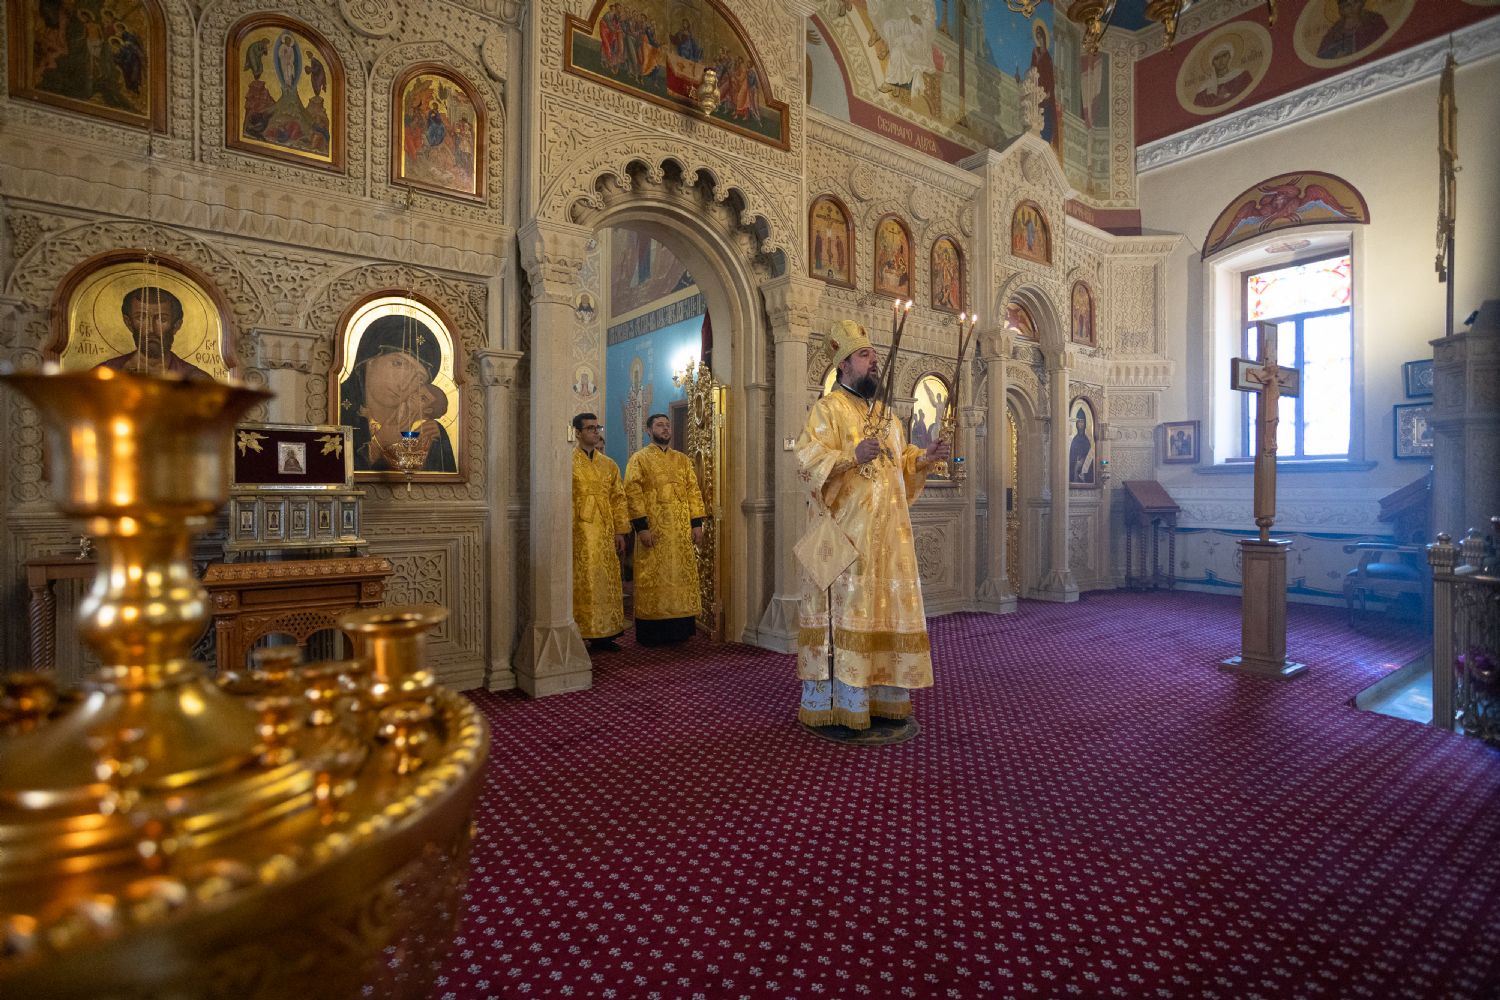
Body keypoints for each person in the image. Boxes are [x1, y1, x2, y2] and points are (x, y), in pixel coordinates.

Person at [795, 320, 949, 732]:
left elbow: (901, 462)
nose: (875, 362)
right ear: (844, 365)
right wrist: (850, 453)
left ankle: (883, 697)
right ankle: (845, 700)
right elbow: (807, 461)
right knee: (854, 614)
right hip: (850, 540)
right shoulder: (827, 410)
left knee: (887, 612)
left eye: (875, 356)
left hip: (890, 538)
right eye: (866, 356)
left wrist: (925, 456)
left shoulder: (885, 415)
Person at [623, 412, 706, 646]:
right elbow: (632, 492)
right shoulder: (639, 459)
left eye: (667, 425)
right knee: (653, 575)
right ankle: (653, 632)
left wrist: (696, 523)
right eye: (659, 425)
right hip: (654, 530)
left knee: (679, 575)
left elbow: (693, 490)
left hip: (680, 532)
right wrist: (642, 528)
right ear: (648, 431)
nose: (665, 428)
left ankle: (680, 629)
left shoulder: (682, 460)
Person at [338, 316, 457, 473]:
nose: (405, 384)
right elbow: (329, 473)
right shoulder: (340, 411)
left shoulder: (431, 433)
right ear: (369, 360)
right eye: (398, 364)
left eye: (419, 378)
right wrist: (379, 443)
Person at [572, 413, 631, 653]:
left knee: (605, 580)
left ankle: (604, 633)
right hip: (578, 532)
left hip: (605, 531)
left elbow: (619, 499)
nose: (596, 432)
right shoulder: (568, 461)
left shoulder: (609, 465)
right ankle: (579, 631)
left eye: (598, 428)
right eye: (590, 429)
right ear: (577, 433)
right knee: (582, 581)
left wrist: (621, 531)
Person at [99, 286, 214, 380]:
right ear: (129, 323)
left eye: (162, 319)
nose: (151, 330)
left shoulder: (197, 381)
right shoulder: (104, 374)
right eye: (141, 318)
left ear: (176, 325)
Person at [1068, 407, 1094, 484]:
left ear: (1085, 423)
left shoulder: (1088, 440)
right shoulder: (1074, 440)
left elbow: (1091, 456)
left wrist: (1083, 461)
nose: (1080, 424)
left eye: (1082, 422)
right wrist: (1076, 464)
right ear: (1076, 423)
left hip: (1086, 469)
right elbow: (1071, 457)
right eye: (1079, 422)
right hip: (1075, 469)